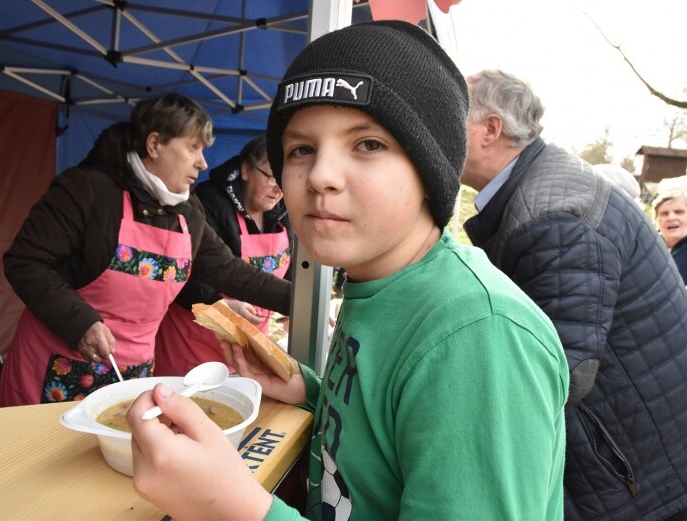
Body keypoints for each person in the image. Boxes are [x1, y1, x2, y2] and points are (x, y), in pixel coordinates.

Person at [125, 21, 569, 521]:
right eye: (300, 150)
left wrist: (236, 509)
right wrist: (311, 392)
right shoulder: (374, 282)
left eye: (368, 144)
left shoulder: (476, 337)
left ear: (431, 166)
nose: (319, 176)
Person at [461, 69, 687, 521]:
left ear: (491, 130)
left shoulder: (553, 215)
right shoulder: (543, 188)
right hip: (635, 449)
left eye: (453, 116)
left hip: (633, 470)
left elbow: (561, 369)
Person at [0, 93, 290, 407]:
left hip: (134, 372)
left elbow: (229, 271)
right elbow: (26, 262)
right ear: (154, 144)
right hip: (57, 364)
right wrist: (79, 323)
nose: (202, 162)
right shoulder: (87, 190)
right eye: (192, 148)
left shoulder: (188, 211)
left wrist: (295, 300)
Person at [154, 134, 293, 376]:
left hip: (250, 343)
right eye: (271, 177)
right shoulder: (207, 204)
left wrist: (298, 305)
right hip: (193, 342)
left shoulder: (283, 215)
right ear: (246, 170)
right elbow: (182, 271)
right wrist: (218, 305)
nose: (278, 188)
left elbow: (292, 267)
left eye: (284, 179)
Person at [653, 180, 687, 285]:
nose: (671, 217)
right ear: (656, 221)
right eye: (664, 213)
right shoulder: (652, 251)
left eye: (679, 212)